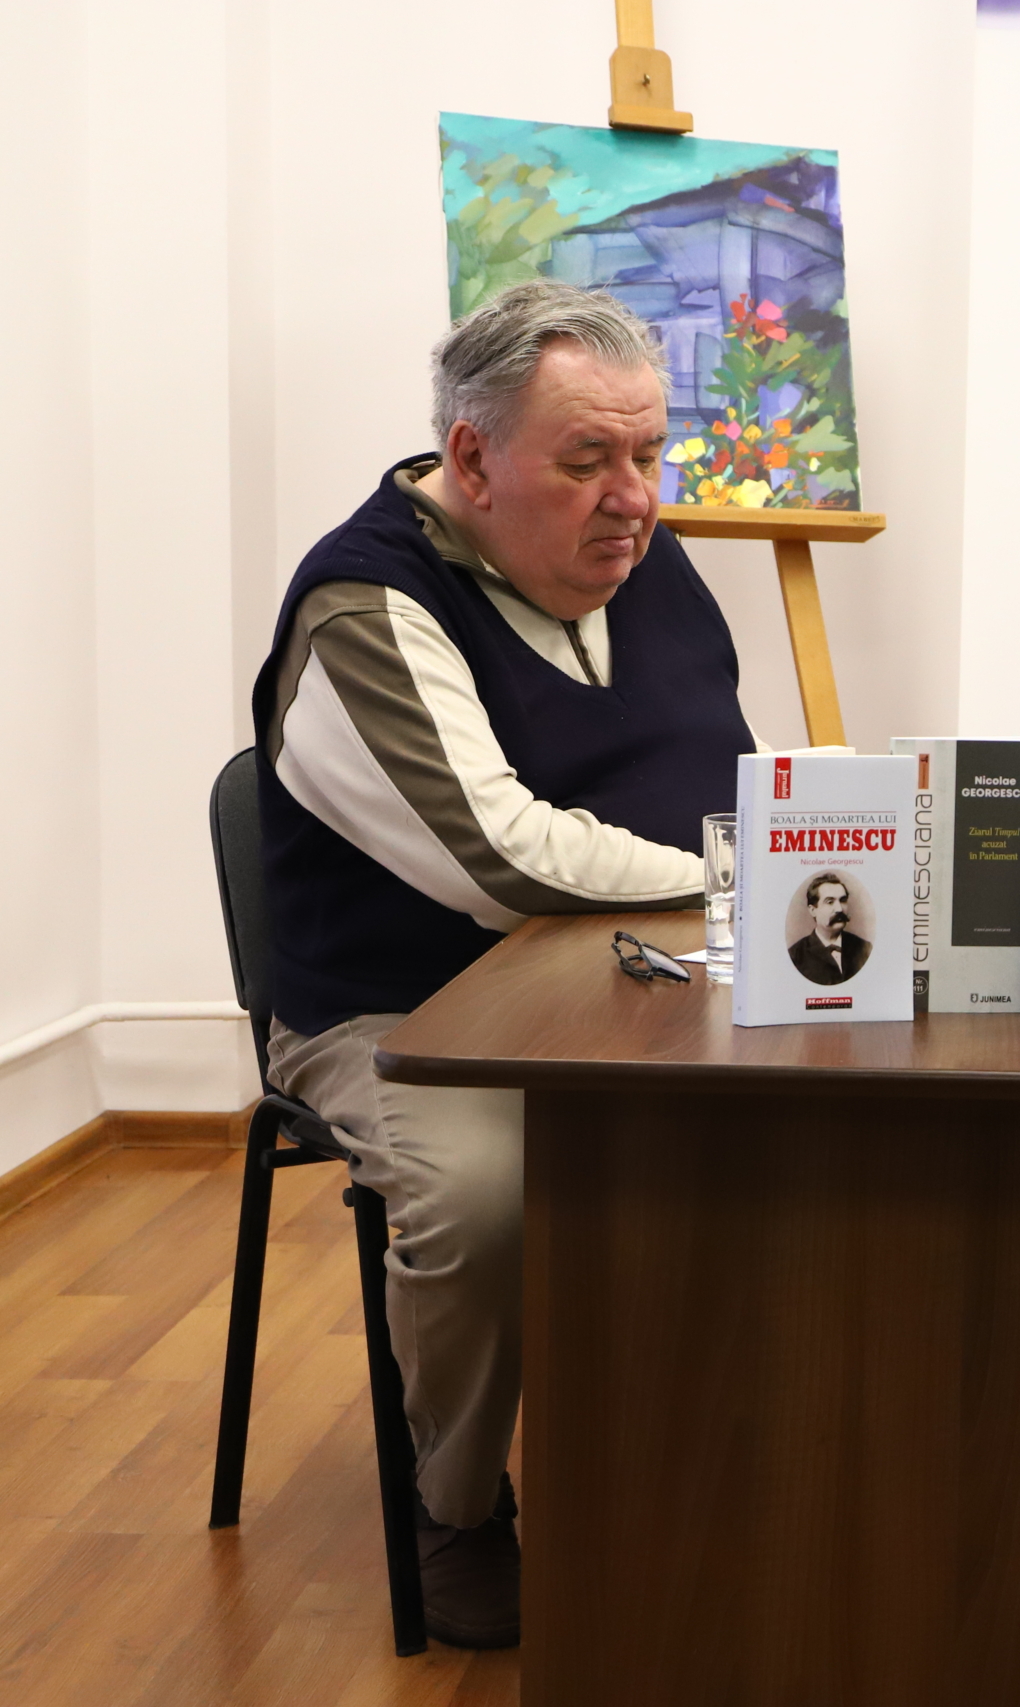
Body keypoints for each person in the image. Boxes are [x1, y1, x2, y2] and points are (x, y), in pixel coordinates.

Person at [250, 279, 755, 1647]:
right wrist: (739, 872)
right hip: (401, 1008)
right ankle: (456, 1503)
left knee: (832, 1114)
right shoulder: (366, 603)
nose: (633, 498)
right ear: (470, 458)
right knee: (484, 1193)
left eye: (650, 453)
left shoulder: (647, 559)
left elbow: (732, 778)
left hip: (638, 973)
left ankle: (732, 1447)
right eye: (586, 460)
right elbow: (503, 858)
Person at [788, 872, 871, 983]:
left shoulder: (864, 948)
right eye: (830, 902)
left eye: (843, 900)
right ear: (813, 910)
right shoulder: (795, 956)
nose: (839, 909)